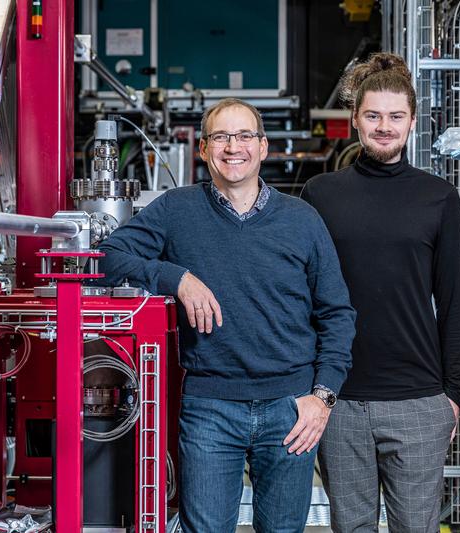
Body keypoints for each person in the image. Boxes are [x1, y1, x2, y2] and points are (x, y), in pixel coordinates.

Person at [97, 97, 356, 532]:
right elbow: (106, 257)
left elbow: (337, 313)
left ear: (263, 146)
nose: (232, 147)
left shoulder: (303, 220)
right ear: (202, 149)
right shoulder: (176, 209)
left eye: (243, 136)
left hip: (291, 408)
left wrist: (323, 397)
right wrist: (174, 277)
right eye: (220, 136)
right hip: (210, 408)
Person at [300, 53, 460, 533]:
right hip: (340, 399)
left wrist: (452, 395)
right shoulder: (321, 194)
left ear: (412, 121)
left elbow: (453, 302)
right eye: (373, 115)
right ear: (355, 119)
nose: (384, 126)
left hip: (419, 400)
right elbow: (302, 298)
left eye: (395, 117)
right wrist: (311, 389)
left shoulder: (438, 197)